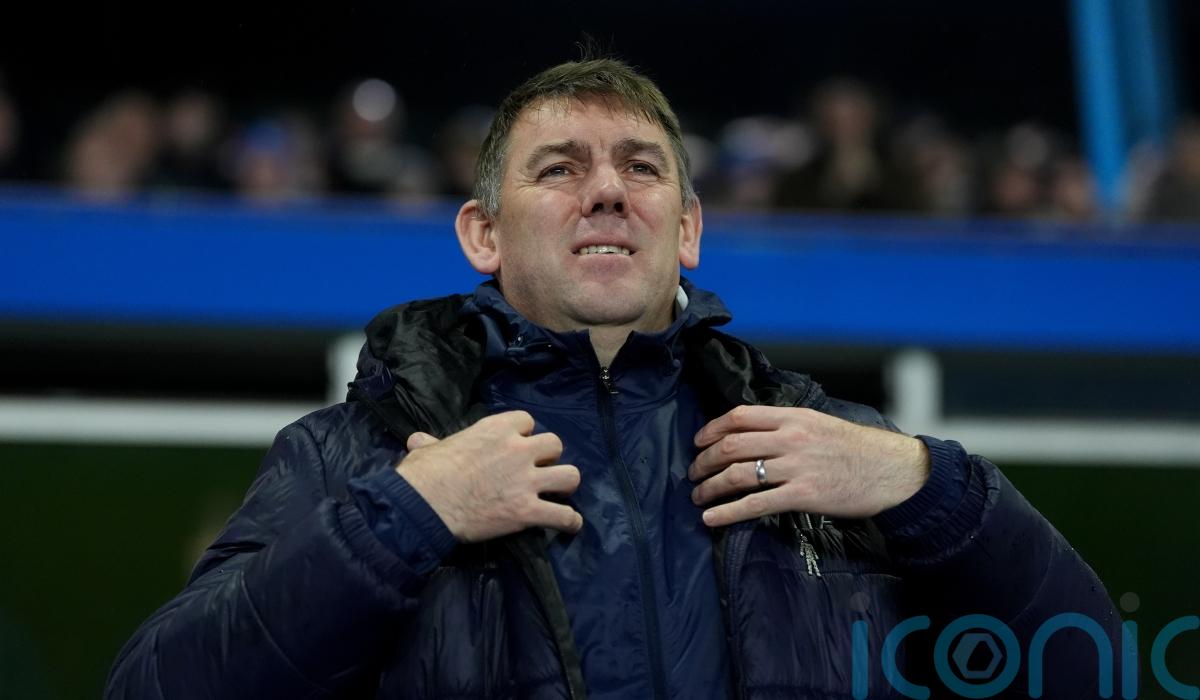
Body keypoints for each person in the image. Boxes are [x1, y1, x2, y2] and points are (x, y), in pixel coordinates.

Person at [106, 58, 1119, 699]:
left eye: (641, 167)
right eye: (558, 169)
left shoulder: (826, 450)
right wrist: (403, 518)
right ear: (482, 234)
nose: (605, 191)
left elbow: (1091, 667)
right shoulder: (358, 457)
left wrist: (933, 486)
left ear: (688, 228)